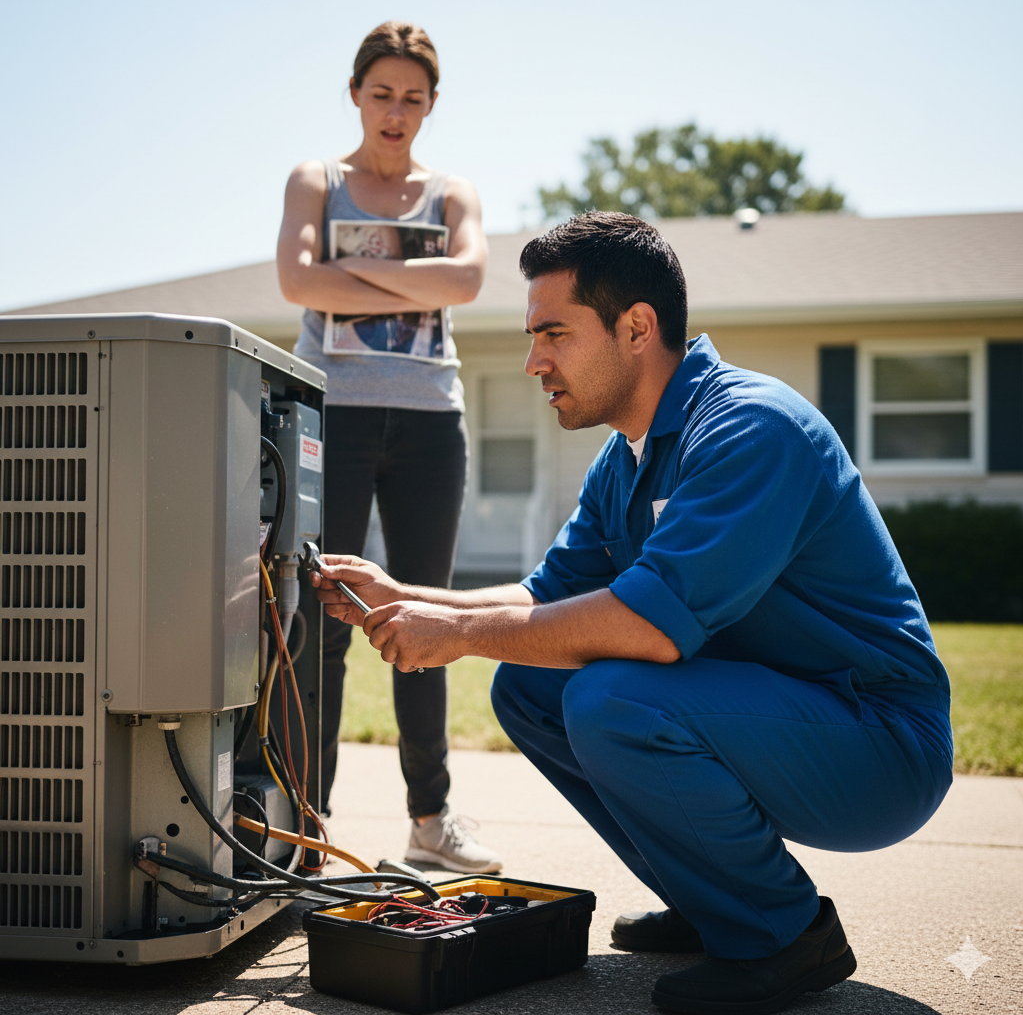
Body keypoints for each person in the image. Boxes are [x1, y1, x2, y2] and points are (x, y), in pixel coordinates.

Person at [311, 212, 954, 1015]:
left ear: (637, 328)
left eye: (554, 333)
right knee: (529, 686)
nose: (532, 360)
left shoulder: (752, 427)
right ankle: (712, 899)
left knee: (610, 698)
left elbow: (646, 627)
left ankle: (783, 937)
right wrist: (404, 596)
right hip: (777, 713)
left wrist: (459, 635)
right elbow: (544, 599)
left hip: (878, 744)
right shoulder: (628, 458)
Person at [276, 20, 500, 874]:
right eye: (382, 93)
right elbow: (298, 281)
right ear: (356, 95)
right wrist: (416, 275)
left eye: (413, 97)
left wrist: (354, 275)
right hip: (331, 417)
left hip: (431, 424)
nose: (396, 110)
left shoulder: (452, 193)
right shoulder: (317, 180)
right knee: (318, 623)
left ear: (431, 104)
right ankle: (306, 824)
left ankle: (430, 819)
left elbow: (470, 279)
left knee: (425, 615)